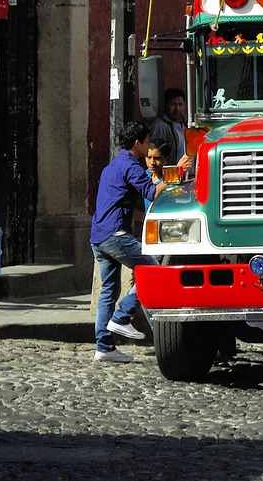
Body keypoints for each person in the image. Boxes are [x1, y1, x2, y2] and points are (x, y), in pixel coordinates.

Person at [90, 121, 166, 363]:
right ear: (138, 143)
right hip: (115, 235)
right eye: (146, 142)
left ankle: (104, 347)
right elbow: (152, 192)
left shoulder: (112, 165)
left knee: (108, 291)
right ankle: (122, 317)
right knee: (153, 271)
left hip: (98, 236)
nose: (148, 147)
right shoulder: (131, 165)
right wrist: (176, 177)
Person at [143, 139, 172, 210]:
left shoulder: (172, 179)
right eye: (149, 157)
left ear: (167, 159)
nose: (152, 162)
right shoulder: (143, 176)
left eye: (157, 158)